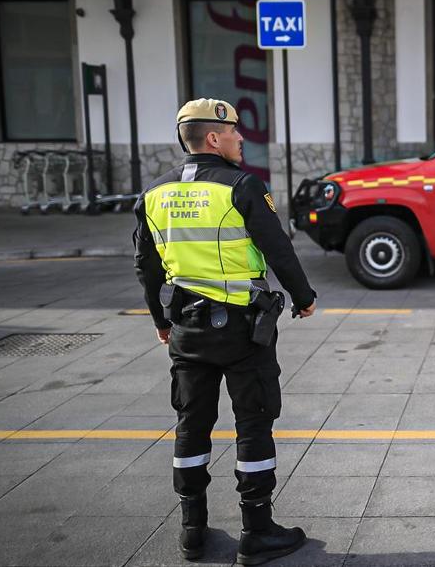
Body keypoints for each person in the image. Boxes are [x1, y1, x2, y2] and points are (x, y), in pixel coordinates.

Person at [134, 98, 318, 565]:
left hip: (186, 331)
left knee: (191, 424)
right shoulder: (242, 186)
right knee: (253, 422)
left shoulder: (153, 194)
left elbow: (147, 267)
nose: (241, 138)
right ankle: (257, 530)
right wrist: (303, 297)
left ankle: (192, 529)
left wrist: (160, 321)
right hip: (242, 331)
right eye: (234, 131)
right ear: (213, 138)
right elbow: (277, 248)